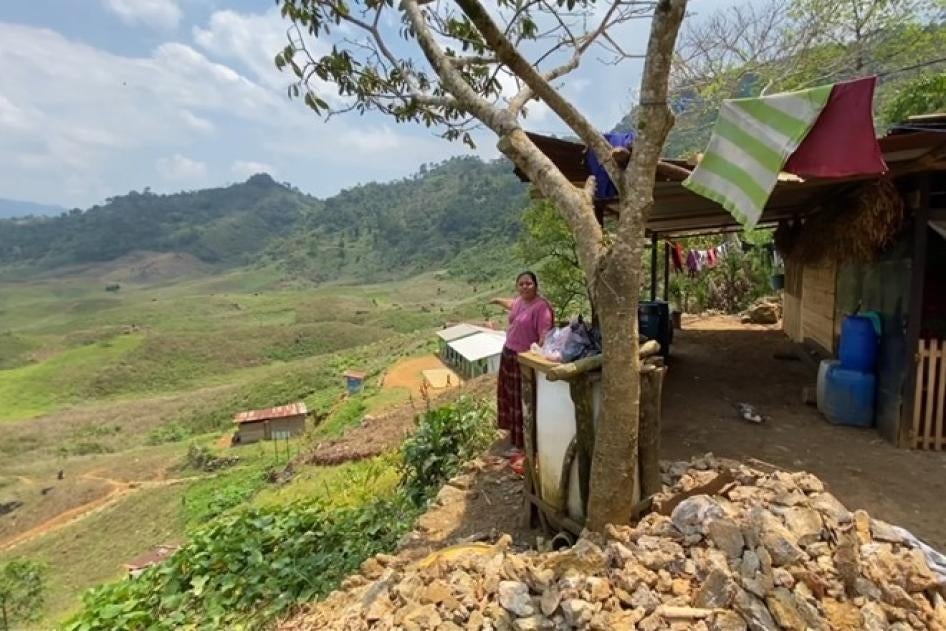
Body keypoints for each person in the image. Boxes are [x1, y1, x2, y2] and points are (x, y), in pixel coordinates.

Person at [490, 271, 554, 454]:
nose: (525, 287)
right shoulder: (519, 302)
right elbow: (511, 305)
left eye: (528, 283)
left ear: (536, 285)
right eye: (521, 284)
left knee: (521, 399)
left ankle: (522, 444)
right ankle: (513, 436)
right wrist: (496, 300)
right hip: (508, 354)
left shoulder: (542, 308)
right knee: (509, 396)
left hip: (523, 359)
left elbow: (545, 335)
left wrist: (537, 354)